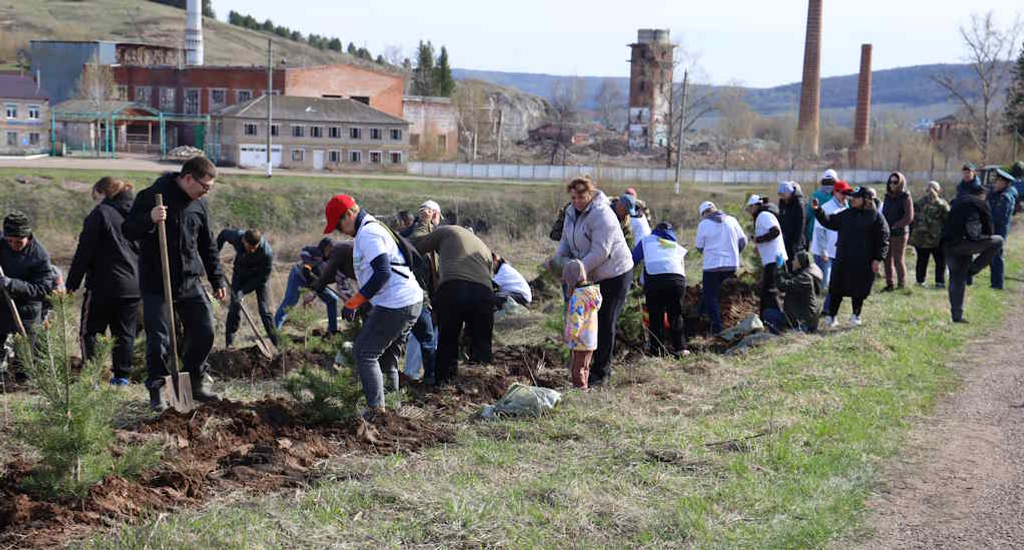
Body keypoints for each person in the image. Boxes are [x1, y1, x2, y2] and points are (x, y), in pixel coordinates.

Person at [123, 156, 227, 412]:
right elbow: (128, 230)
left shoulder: (199, 205)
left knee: (205, 330)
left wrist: (216, 278)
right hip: (157, 283)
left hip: (190, 281)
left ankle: (195, 380)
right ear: (189, 178)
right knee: (159, 340)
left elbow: (207, 245)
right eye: (205, 186)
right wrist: (149, 218)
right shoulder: (152, 196)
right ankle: (157, 390)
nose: (206, 192)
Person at [322, 194, 423, 413]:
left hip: (397, 303)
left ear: (349, 214)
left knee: (363, 352)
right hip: (406, 300)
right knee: (386, 359)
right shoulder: (368, 230)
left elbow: (383, 272)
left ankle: (376, 411)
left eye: (338, 225)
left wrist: (355, 301)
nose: (340, 231)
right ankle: (392, 409)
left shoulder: (369, 233)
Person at [551, 176, 634, 387]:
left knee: (605, 321)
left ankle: (601, 373)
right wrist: (559, 261)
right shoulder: (570, 213)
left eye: (581, 197)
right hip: (591, 274)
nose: (577, 201)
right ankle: (584, 369)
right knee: (588, 323)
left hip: (615, 273)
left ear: (591, 194)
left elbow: (601, 251)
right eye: (573, 197)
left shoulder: (602, 214)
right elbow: (565, 242)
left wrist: (579, 268)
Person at [66, 177, 141, 386]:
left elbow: (84, 253)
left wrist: (71, 284)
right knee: (124, 334)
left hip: (103, 285)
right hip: (133, 286)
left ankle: (93, 378)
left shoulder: (100, 214)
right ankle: (121, 379)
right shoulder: (138, 214)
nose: (96, 202)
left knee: (90, 332)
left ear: (103, 193)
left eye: (96, 197)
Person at [410, 210, 494, 384]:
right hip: (485, 293)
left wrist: (424, 221)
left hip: (454, 288)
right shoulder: (483, 246)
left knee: (448, 342)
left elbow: (416, 245)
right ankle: (482, 386)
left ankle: (444, 386)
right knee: (482, 345)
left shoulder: (447, 231)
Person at [812, 186, 890, 328]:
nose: (851, 199)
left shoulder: (876, 217)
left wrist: (878, 258)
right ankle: (832, 316)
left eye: (856, 197)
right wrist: (818, 210)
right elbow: (830, 221)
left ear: (866, 199)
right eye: (851, 196)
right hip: (843, 258)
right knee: (836, 287)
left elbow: (883, 239)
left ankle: (856, 315)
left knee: (859, 289)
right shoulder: (846, 214)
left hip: (864, 261)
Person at [0, 211, 55, 382]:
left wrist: (12, 284)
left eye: (18, 242)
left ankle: (23, 387)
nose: (13, 245)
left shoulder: (39, 255)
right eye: (9, 241)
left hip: (27, 311)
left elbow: (42, 289)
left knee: (24, 361)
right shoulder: (1, 243)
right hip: (1, 306)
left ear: (27, 236)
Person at [941, 179, 1003, 323]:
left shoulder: (956, 202)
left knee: (956, 278)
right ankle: (973, 270)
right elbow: (990, 231)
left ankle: (956, 316)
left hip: (948, 246)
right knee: (998, 241)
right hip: (965, 244)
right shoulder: (980, 203)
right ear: (982, 195)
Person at [631, 222, 689, 357]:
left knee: (655, 316)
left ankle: (656, 350)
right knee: (675, 314)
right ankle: (681, 348)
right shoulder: (674, 245)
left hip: (655, 279)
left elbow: (633, 259)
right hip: (678, 281)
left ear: (655, 231)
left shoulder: (646, 241)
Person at [217, 228, 278, 348]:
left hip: (259, 278)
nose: (252, 250)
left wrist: (243, 291)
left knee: (264, 310)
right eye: (249, 247)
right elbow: (223, 234)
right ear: (243, 241)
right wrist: (215, 254)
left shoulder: (267, 253)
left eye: (255, 248)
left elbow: (263, 278)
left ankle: (277, 343)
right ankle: (229, 344)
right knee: (234, 308)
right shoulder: (237, 236)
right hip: (240, 274)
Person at [694, 201, 747, 335]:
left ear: (704, 213)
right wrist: (734, 253)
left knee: (710, 295)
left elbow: (699, 247)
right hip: (731, 265)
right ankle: (699, 313)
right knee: (710, 291)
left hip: (712, 266)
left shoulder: (704, 224)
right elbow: (743, 241)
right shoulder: (732, 220)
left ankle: (717, 327)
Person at [275, 238, 344, 336]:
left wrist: (314, 293)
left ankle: (332, 330)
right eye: (328, 249)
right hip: (298, 277)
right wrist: (309, 264)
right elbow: (304, 252)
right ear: (323, 248)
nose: (330, 251)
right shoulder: (316, 252)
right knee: (290, 302)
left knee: (332, 299)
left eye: (332, 249)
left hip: (316, 282)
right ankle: (275, 331)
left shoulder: (332, 261)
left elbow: (324, 281)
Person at [809, 180, 851, 311]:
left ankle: (827, 309)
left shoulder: (846, 207)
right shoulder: (827, 207)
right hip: (824, 252)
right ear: (835, 192)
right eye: (843, 193)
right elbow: (819, 230)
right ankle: (811, 307)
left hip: (837, 251)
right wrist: (823, 251)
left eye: (847, 193)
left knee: (835, 282)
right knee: (822, 283)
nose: (845, 196)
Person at [562, 260, 602, 390]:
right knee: (585, 366)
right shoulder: (592, 292)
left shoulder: (577, 297)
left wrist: (569, 335)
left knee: (577, 368)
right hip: (591, 338)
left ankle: (580, 390)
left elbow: (576, 320)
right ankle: (584, 386)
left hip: (580, 340)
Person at [762, 250, 823, 334]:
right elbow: (789, 278)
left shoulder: (805, 279)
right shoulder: (803, 276)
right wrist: (783, 266)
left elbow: (782, 286)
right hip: (800, 318)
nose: (792, 262)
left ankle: (781, 333)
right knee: (770, 313)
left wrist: (778, 268)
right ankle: (784, 330)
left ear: (800, 263)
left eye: (795, 260)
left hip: (803, 323)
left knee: (767, 314)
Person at [747, 195, 787, 315]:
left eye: (750, 207)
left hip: (775, 259)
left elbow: (775, 231)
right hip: (772, 259)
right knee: (766, 290)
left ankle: (779, 318)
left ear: (755, 206)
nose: (749, 211)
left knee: (772, 290)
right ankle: (764, 316)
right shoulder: (762, 216)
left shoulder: (763, 216)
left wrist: (758, 240)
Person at [909, 181, 951, 289]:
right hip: (930, 238)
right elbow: (948, 219)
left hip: (928, 238)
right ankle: (933, 282)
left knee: (929, 261)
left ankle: (928, 282)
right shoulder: (940, 204)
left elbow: (948, 219)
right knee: (933, 261)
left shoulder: (919, 203)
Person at [881, 172, 914, 291]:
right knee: (886, 259)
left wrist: (896, 226)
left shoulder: (905, 196)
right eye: (890, 182)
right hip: (887, 232)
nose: (892, 184)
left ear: (900, 183)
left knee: (898, 260)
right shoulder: (887, 196)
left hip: (900, 233)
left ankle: (901, 284)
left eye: (895, 182)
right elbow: (884, 214)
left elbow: (909, 217)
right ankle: (889, 284)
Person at [987, 168, 1018, 290]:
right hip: (993, 228)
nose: (995, 183)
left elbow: (999, 217)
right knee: (992, 255)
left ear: (1004, 183)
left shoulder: (1005, 197)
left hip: (999, 230)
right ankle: (995, 283)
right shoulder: (996, 194)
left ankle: (997, 284)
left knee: (996, 256)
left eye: (997, 181)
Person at [805, 169, 838, 247]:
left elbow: (809, 213)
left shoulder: (816, 195)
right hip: (834, 231)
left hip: (815, 230)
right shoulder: (839, 195)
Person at [777, 180, 806, 265]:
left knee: (797, 264)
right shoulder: (782, 203)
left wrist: (797, 242)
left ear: (788, 192)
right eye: (780, 195)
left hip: (796, 240)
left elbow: (801, 223)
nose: (782, 197)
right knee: (787, 264)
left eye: (783, 194)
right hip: (786, 239)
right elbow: (781, 218)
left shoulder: (798, 203)